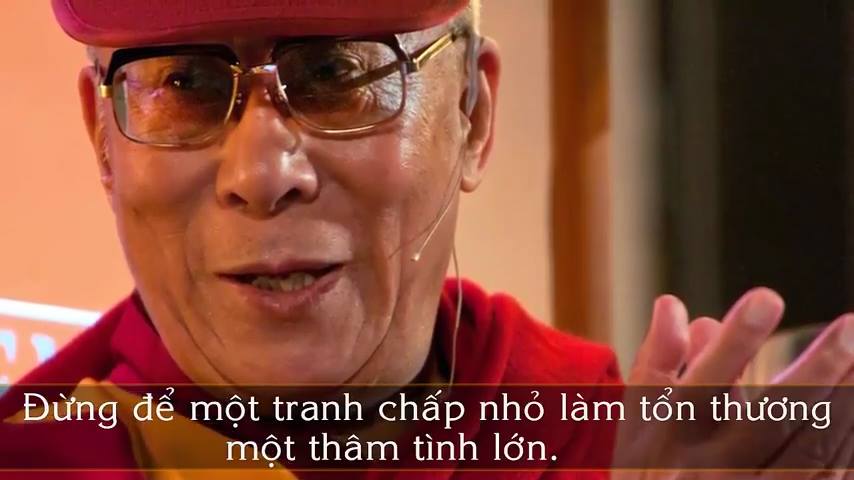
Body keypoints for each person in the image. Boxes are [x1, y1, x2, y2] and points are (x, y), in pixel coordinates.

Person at [0, 1, 851, 478]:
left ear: (472, 114)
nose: (261, 173)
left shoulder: (587, 443)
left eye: (335, 73)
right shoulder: (42, 461)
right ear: (103, 143)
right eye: (184, 84)